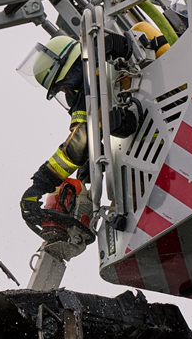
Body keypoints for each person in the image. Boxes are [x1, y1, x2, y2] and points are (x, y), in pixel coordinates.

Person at [17, 33, 141, 248]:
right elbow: (89, 136)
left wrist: (40, 184)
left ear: (69, 70)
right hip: (145, 145)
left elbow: (80, 143)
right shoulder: (98, 73)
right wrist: (86, 169)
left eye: (62, 85)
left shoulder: (90, 84)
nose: (65, 92)